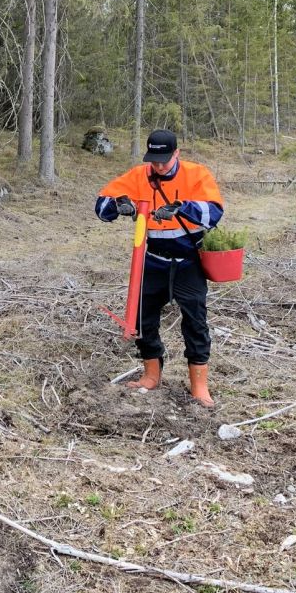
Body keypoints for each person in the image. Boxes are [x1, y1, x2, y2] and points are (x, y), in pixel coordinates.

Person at [95, 129, 224, 407]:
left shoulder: (197, 174)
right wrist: (120, 205)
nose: (159, 165)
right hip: (152, 260)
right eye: (154, 159)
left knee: (196, 321)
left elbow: (214, 212)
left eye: (165, 159)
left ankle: (199, 385)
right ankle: (151, 375)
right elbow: (101, 205)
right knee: (143, 319)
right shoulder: (138, 175)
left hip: (189, 262)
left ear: (177, 153)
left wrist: (182, 208)